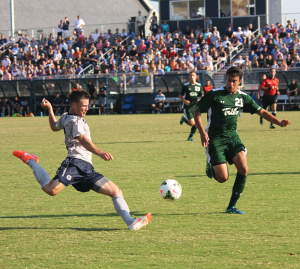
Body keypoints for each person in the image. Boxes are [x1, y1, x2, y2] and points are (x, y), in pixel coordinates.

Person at [13, 90, 152, 230]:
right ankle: (31, 160)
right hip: (75, 163)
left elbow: (54, 126)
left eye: (87, 105)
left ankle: (131, 222)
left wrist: (50, 109)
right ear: (74, 105)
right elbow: (83, 140)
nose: (87, 108)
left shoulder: (66, 116)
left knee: (115, 191)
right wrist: (100, 153)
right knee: (51, 190)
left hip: (86, 168)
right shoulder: (76, 121)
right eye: (84, 105)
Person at [193, 66, 291, 214]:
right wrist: (201, 132)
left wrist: (278, 122)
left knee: (244, 169)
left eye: (234, 81)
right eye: (228, 80)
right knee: (222, 178)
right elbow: (197, 111)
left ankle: (231, 207)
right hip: (216, 139)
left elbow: (262, 111)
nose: (230, 84)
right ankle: (211, 164)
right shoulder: (214, 94)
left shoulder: (242, 97)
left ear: (239, 82)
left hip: (233, 137)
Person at [179, 71, 204, 141]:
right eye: (190, 76)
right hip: (188, 107)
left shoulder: (198, 86)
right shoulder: (186, 86)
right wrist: (184, 101)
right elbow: (180, 95)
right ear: (189, 77)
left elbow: (201, 95)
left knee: (196, 124)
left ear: (196, 76)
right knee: (192, 123)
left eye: (193, 75)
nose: (191, 77)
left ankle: (190, 137)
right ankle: (184, 119)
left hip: (195, 107)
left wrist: (203, 99)